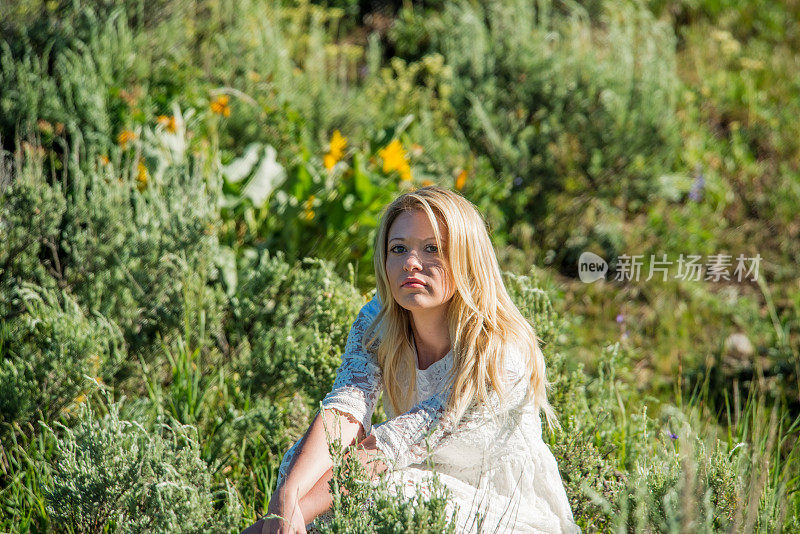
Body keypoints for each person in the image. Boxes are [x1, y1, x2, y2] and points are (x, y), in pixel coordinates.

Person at [242, 185, 580, 533]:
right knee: (297, 463)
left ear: (467, 259)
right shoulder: (377, 321)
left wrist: (286, 512)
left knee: (377, 495)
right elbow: (345, 410)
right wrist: (288, 494)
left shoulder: (500, 351)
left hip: (498, 507)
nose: (410, 263)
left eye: (432, 248)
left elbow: (388, 447)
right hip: (412, 474)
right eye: (398, 248)